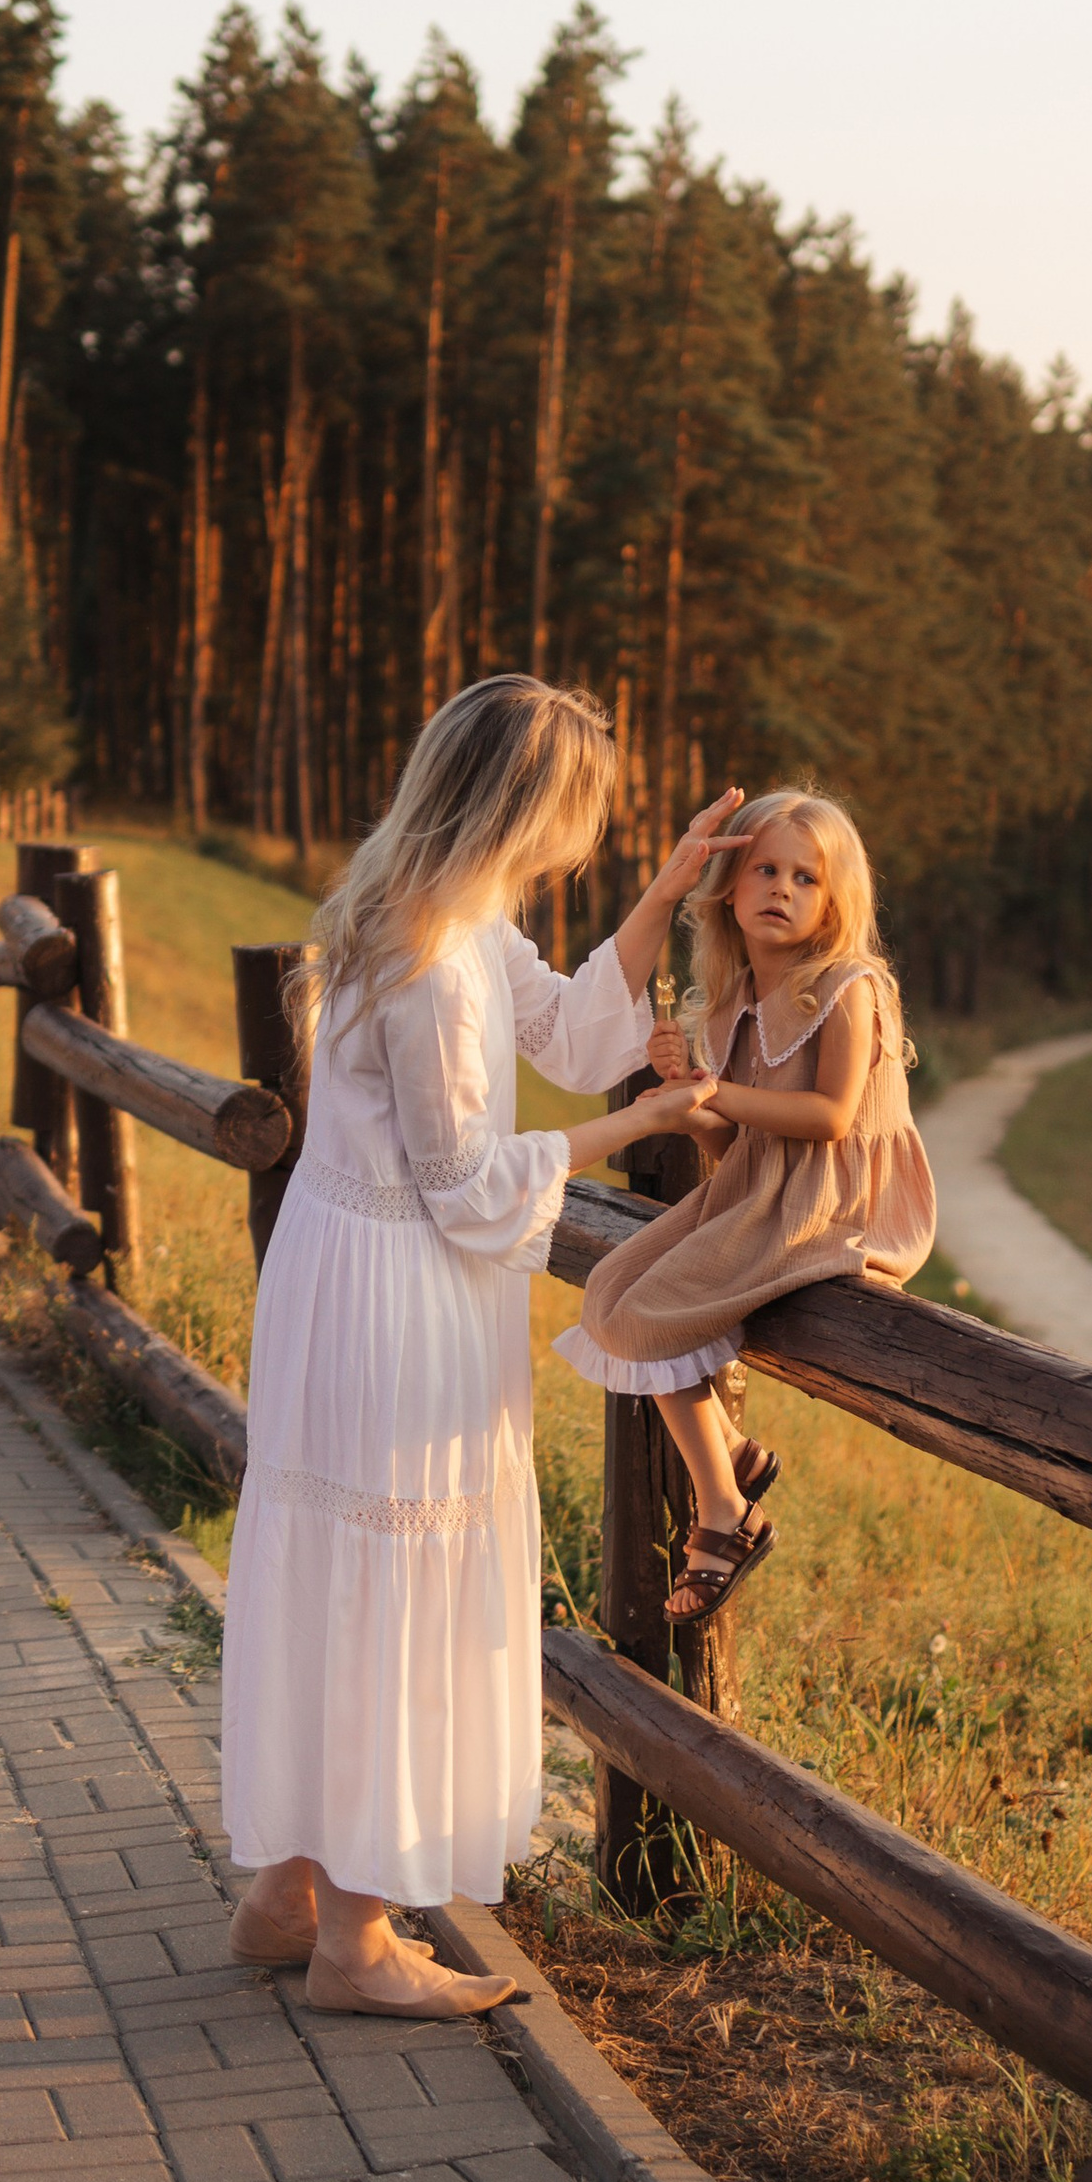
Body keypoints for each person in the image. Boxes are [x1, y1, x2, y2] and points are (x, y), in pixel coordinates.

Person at [220, 676, 738, 2019]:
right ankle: (356, 1948)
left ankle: (286, 1893)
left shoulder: (418, 911)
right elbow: (465, 1184)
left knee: (338, 1572)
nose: (584, 838)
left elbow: (569, 1024)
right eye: (583, 814)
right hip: (403, 1295)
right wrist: (642, 1124)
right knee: (397, 1591)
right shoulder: (442, 965)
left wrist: (667, 891)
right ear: (527, 805)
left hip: (337, 1278)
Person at [558, 788, 936, 1624]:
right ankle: (728, 1453)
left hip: (836, 1206)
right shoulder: (730, 1002)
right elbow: (735, 1154)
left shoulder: (848, 988)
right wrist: (689, 1097)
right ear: (729, 885)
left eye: (807, 877)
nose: (782, 888)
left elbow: (831, 1117)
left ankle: (725, 1509)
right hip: (760, 1193)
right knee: (608, 1295)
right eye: (765, 869)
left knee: (648, 1317)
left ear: (836, 900)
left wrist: (719, 1092)